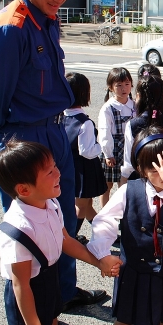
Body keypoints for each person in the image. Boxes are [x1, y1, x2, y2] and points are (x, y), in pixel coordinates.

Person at [0, 0, 105, 310]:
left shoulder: (46, 16)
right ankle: (34, 316)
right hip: (28, 138)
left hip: (55, 131)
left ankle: (62, 293)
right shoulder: (10, 28)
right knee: (30, 233)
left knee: (60, 219)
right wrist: (3, 133)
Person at [0, 139, 120, 325]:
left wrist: (99, 262)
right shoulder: (17, 230)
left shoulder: (50, 203)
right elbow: (21, 285)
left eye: (55, 166)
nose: (58, 173)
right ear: (24, 190)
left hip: (50, 279)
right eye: (49, 172)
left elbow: (65, 241)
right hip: (29, 292)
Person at [87, 126, 163, 325]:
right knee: (123, 321)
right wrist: (102, 253)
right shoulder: (128, 191)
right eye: (156, 169)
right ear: (141, 168)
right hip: (134, 272)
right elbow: (104, 219)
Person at [62, 72, 107, 243]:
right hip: (84, 169)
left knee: (86, 204)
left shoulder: (60, 116)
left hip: (68, 166)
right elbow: (87, 151)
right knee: (81, 206)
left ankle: (103, 231)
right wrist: (101, 146)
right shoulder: (84, 123)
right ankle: (70, 237)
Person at [98, 67, 135, 207]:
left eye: (127, 84)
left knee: (124, 183)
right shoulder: (108, 108)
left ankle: (122, 213)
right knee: (107, 185)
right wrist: (108, 153)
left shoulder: (134, 105)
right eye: (118, 85)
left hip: (129, 147)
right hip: (114, 149)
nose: (123, 88)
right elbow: (104, 131)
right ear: (111, 87)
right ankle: (105, 212)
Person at [121, 74, 163, 181]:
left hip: (140, 178)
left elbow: (128, 162)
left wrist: (123, 182)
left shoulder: (133, 124)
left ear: (138, 96)